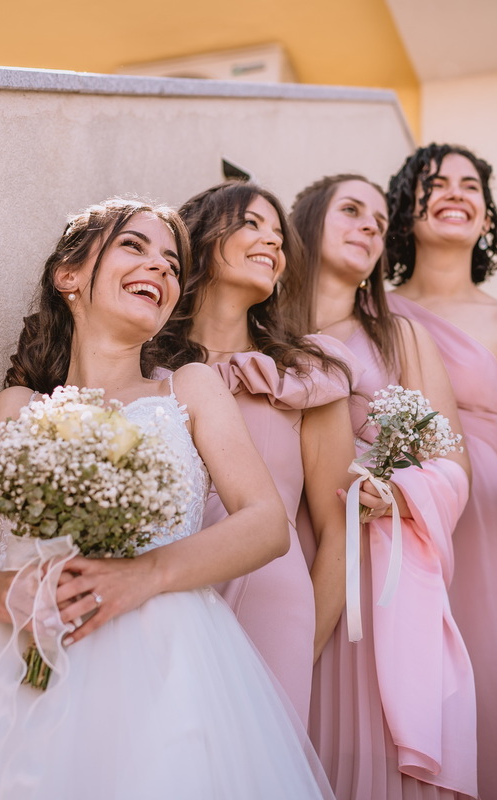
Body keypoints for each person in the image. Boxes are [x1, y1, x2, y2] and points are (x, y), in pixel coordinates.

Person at [0, 199, 333, 799]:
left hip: (163, 660)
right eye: (134, 246)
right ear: (68, 275)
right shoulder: (17, 408)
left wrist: (144, 575)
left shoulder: (190, 389)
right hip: (8, 653)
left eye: (173, 264)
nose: (160, 267)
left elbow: (265, 524)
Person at [292, 173, 477, 800]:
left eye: (378, 221)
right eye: (351, 210)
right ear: (307, 223)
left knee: (367, 747)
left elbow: (454, 465)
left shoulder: (402, 338)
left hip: (375, 574)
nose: (370, 226)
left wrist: (400, 495)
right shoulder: (262, 331)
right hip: (279, 559)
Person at [384, 144, 497, 800]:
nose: (456, 192)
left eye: (470, 185)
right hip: (394, 517)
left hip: (486, 523)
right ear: (405, 207)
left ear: (486, 217)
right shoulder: (372, 311)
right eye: (436, 183)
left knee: (492, 691)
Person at [152, 181, 356, 724]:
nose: (272, 241)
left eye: (279, 235)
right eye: (251, 223)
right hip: (154, 598)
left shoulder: (307, 373)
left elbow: (339, 530)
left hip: (271, 604)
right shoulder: (143, 366)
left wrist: (303, 646)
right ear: (200, 238)